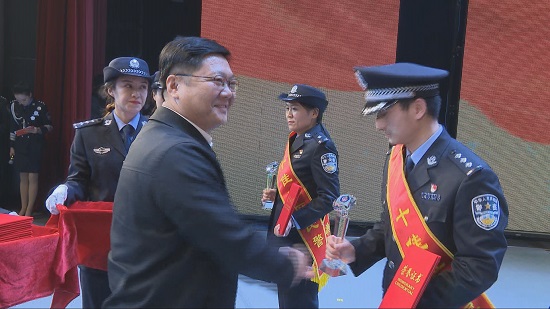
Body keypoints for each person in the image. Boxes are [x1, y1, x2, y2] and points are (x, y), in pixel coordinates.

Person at [103, 36, 312, 308]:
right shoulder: (174, 152)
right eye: (217, 81)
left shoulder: (166, 137)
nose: (228, 93)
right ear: (174, 85)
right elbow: (223, 234)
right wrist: (286, 264)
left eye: (231, 83)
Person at [326, 62, 509, 308]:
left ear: (418, 108)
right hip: (396, 296)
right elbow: (391, 223)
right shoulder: (396, 158)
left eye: (384, 113)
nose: (378, 125)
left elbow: (480, 265)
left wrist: (416, 302)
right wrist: (357, 249)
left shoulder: (470, 177)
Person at [44, 56, 152, 308]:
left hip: (146, 242)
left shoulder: (159, 132)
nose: (136, 93)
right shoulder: (88, 134)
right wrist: (65, 190)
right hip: (100, 243)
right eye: (128, 85)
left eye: (143, 86)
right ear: (110, 90)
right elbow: (79, 179)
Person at [261, 84, 340, 308]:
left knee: (299, 300)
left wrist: (294, 220)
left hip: (302, 240)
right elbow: (300, 186)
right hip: (286, 235)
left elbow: (329, 197)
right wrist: (277, 196)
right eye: (287, 108)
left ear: (314, 113)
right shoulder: (298, 138)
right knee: (287, 298)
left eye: (294, 109)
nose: (288, 114)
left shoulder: (321, 147)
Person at [9, 82, 53, 216]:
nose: (21, 103)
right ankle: (23, 207)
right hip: (20, 145)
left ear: (30, 95)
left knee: (32, 176)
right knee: (23, 177)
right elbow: (13, 128)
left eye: (24, 100)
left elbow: (50, 126)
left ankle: (29, 209)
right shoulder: (15, 106)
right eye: (19, 100)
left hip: (35, 145)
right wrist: (11, 146)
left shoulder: (40, 106)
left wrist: (38, 130)